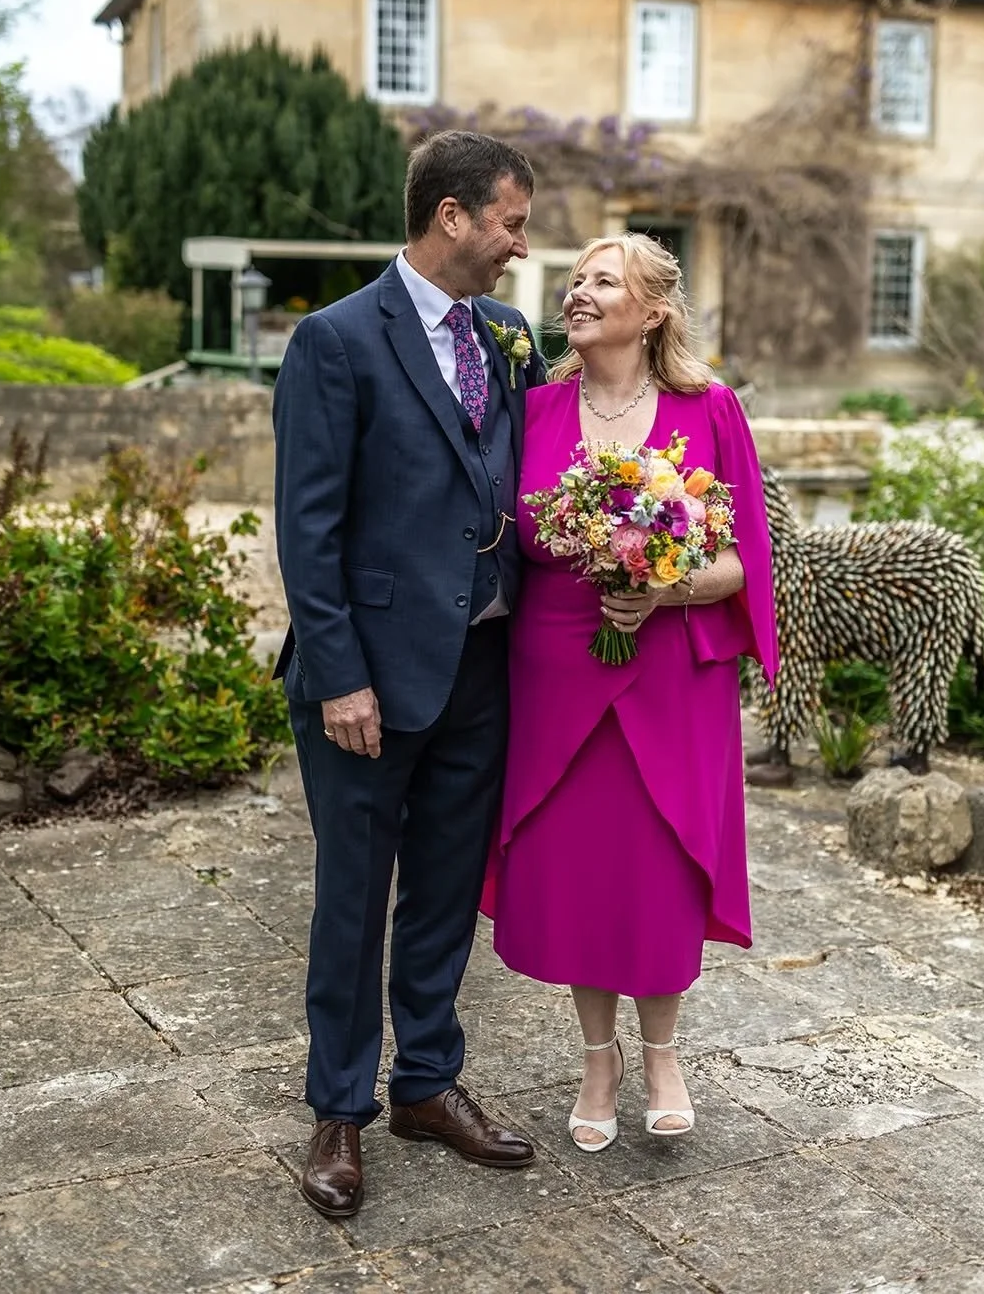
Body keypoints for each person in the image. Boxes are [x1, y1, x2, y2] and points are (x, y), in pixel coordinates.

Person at [272, 129, 548, 1217]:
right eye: (512, 222)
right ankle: (337, 1108)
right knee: (354, 896)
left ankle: (426, 1084)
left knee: (443, 892)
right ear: (453, 216)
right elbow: (310, 526)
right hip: (368, 681)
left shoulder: (511, 334)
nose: (522, 247)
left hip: (482, 661)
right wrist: (340, 675)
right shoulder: (335, 341)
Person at [483, 233, 778, 1151]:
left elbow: (740, 563)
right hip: (558, 671)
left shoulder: (710, 408)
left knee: (656, 865)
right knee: (580, 868)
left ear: (652, 310)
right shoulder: (531, 410)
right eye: (574, 281)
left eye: (601, 281)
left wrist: (664, 588)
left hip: (670, 677)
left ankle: (664, 1055)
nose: (577, 293)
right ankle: (597, 1058)